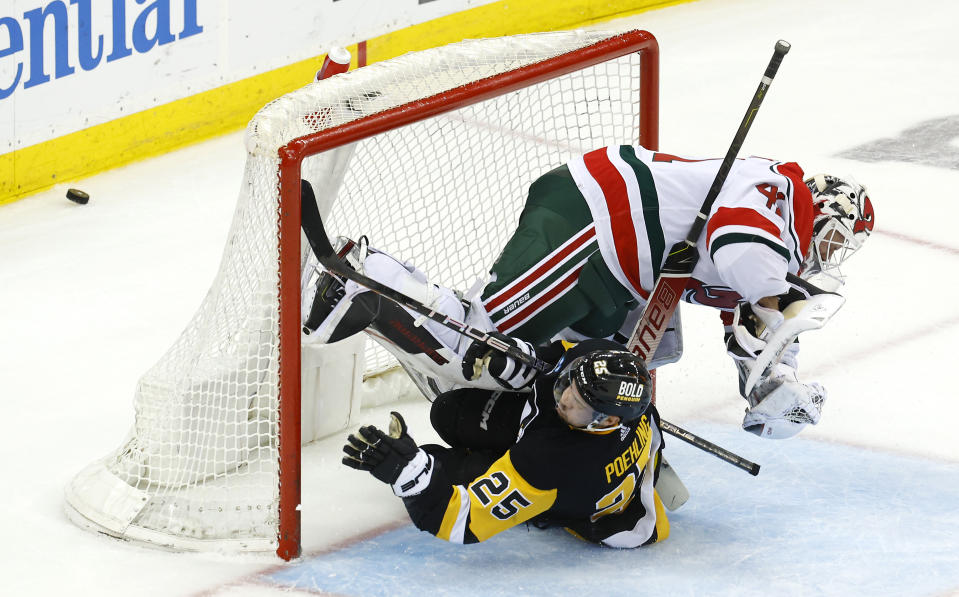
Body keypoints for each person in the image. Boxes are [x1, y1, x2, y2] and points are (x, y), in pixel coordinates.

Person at [303, 145, 875, 439]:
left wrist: (776, 382)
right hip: (593, 220)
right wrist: (782, 308)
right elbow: (738, 246)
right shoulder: (774, 201)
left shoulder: (774, 239)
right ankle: (359, 279)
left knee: (627, 361)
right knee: (490, 346)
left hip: (620, 269)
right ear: (820, 210)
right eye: (833, 237)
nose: (828, 253)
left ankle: (545, 420)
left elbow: (752, 326)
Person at [341, 339, 670, 547]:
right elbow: (564, 354)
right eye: (570, 385)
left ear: (608, 422)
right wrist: (511, 355)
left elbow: (459, 521)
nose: (566, 400)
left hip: (570, 489)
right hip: (590, 459)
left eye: (580, 407)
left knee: (434, 463)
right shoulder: (608, 367)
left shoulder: (553, 464)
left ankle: (502, 473)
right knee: (449, 412)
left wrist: (407, 476)